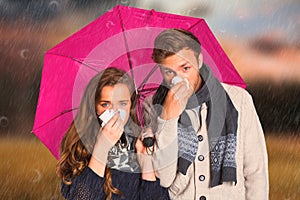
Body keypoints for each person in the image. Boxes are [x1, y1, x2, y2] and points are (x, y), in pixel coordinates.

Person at [149, 29, 269, 199]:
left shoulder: (238, 99)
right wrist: (167, 118)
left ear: (199, 61)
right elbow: (165, 178)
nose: (179, 78)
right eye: (169, 72)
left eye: (185, 68)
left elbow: (256, 171)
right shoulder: (155, 106)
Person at [56, 67, 169, 200]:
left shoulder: (138, 145)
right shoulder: (80, 147)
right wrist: (102, 147)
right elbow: (81, 198)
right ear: (94, 108)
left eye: (122, 103)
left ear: (130, 105)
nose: (115, 112)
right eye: (105, 105)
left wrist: (147, 165)